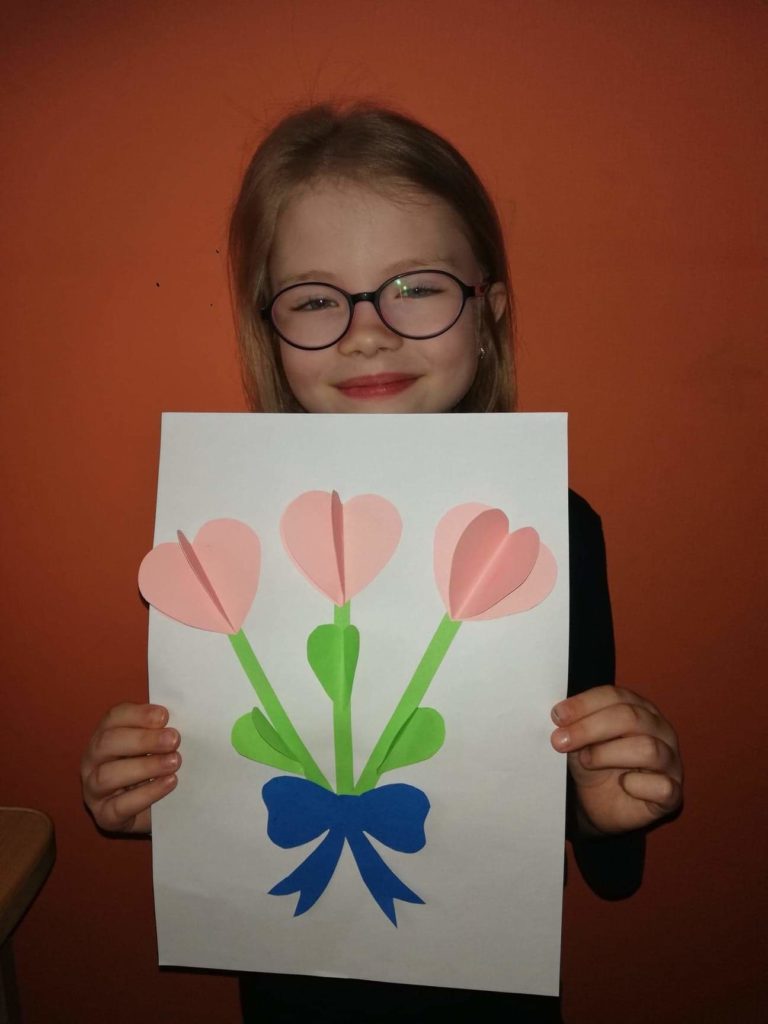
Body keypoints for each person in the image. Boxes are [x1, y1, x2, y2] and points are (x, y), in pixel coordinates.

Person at [80, 104, 683, 1022]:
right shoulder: (223, 529)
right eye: (316, 298)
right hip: (290, 987)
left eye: (416, 286)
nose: (367, 331)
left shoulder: (552, 529)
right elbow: (229, 777)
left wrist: (604, 802)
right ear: (270, 333)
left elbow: (598, 853)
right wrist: (152, 786)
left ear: (488, 316)